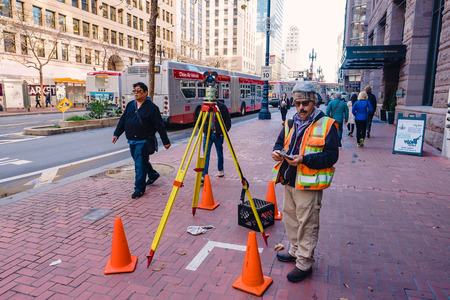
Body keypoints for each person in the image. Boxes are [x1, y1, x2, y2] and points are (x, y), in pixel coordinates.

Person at [271, 81, 339, 283]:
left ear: (313, 103)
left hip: (309, 184)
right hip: (289, 179)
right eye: (298, 102)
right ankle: (294, 251)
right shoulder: (291, 122)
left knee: (307, 224)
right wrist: (276, 152)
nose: (301, 107)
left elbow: (331, 156)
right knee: (290, 219)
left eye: (305, 103)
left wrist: (305, 159)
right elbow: (279, 142)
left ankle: (304, 263)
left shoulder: (326, 124)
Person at [112, 82, 171, 199]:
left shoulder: (152, 108)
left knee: (139, 165)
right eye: (134, 91)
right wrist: (116, 134)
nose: (136, 93)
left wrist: (165, 141)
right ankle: (153, 174)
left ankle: (139, 189)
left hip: (143, 141)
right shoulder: (130, 105)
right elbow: (123, 120)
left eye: (139, 91)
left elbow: (159, 126)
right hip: (131, 140)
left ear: (145, 93)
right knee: (141, 161)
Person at [202, 99, 231, 181]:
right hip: (208, 134)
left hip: (218, 134)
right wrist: (204, 130)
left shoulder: (222, 107)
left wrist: (223, 132)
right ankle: (204, 175)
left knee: (219, 152)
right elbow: (200, 120)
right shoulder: (205, 107)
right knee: (206, 154)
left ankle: (221, 169)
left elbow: (227, 121)